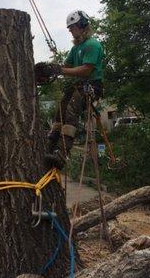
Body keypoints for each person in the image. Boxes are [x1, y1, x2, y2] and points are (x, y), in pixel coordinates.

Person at [36, 10, 104, 169]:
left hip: (92, 85)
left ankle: (62, 153)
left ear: (82, 26)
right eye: (69, 28)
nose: (70, 31)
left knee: (71, 111)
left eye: (72, 27)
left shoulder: (92, 45)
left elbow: (86, 70)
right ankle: (50, 146)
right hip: (79, 85)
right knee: (60, 110)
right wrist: (51, 70)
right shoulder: (76, 48)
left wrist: (60, 71)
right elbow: (66, 68)